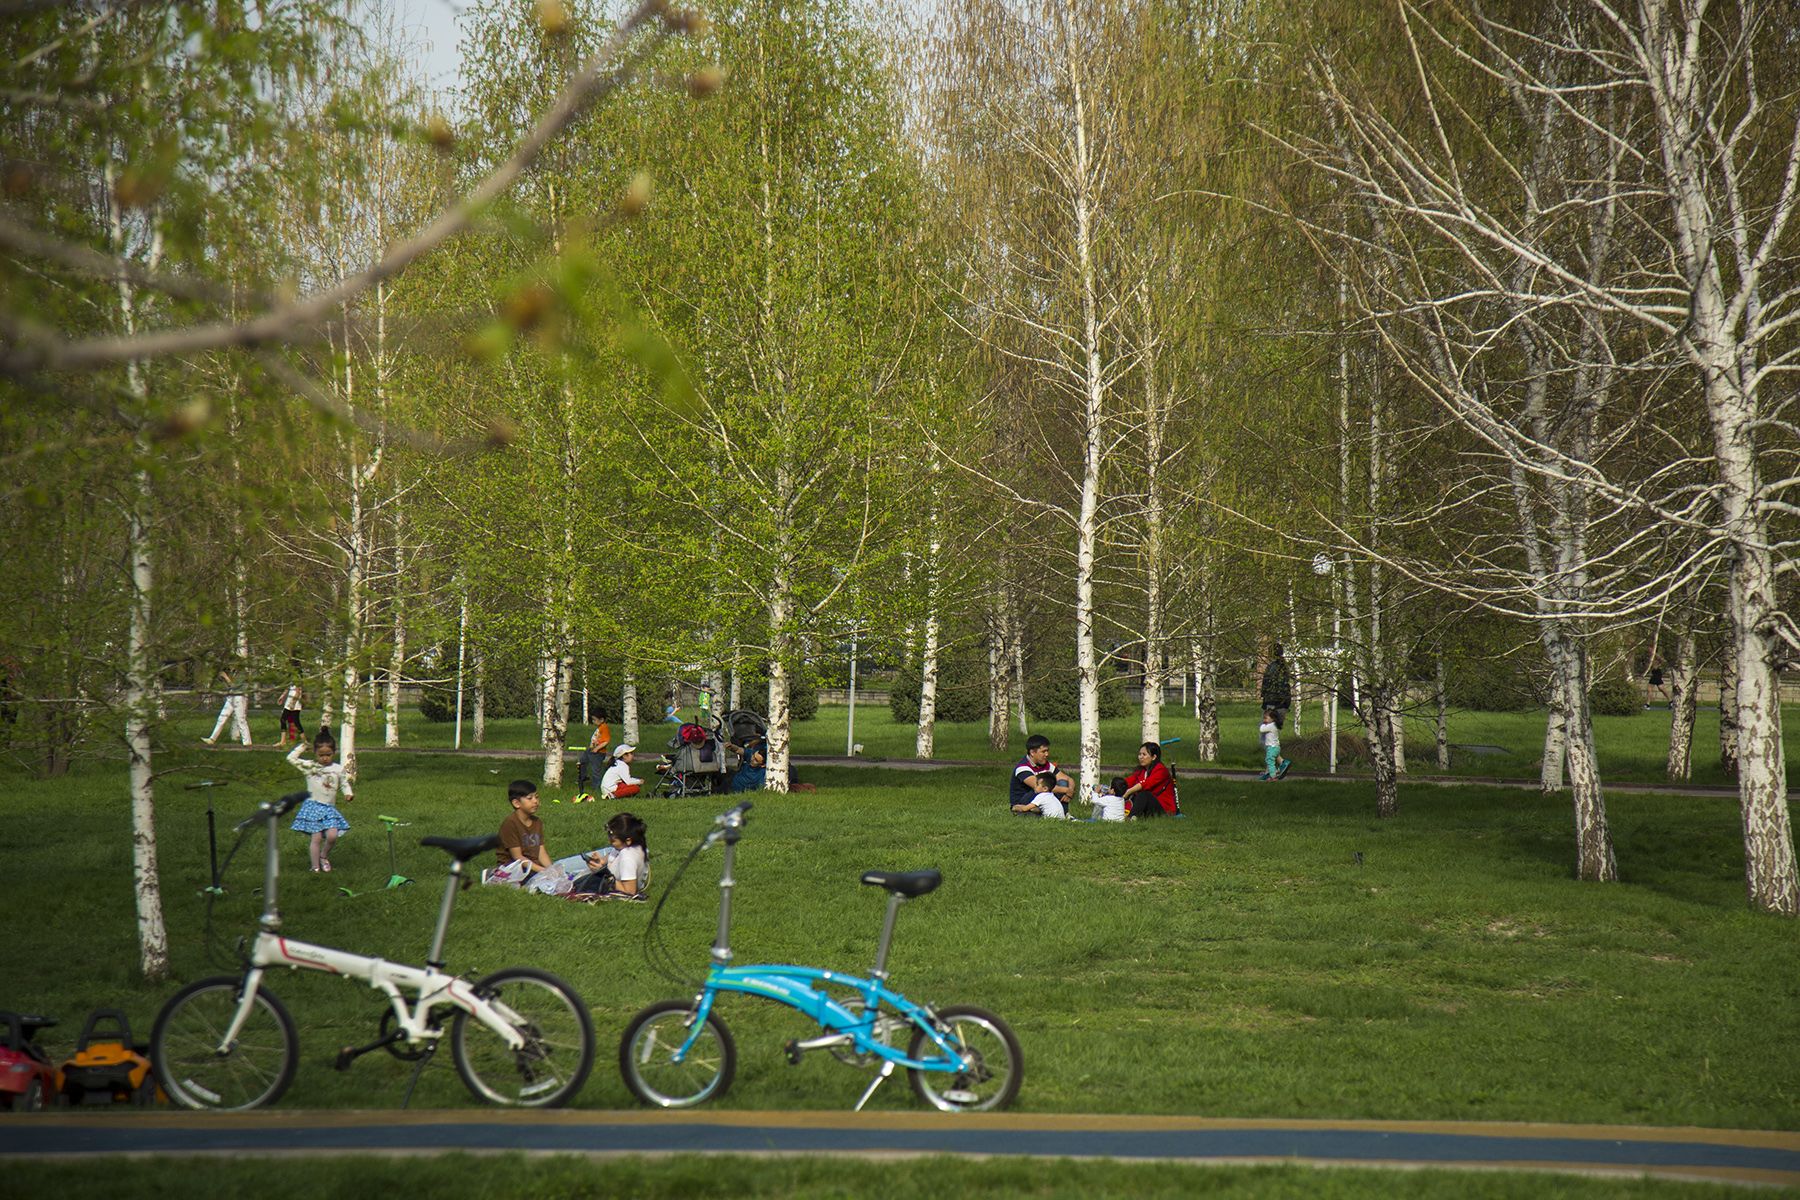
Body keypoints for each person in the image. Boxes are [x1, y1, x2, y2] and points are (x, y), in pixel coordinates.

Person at [288, 732, 352, 872]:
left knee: (332, 836)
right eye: (321, 755)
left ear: (334, 752)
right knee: (316, 838)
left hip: (329, 808)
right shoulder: (310, 766)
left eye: (328, 754)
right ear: (315, 753)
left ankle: (323, 856)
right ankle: (315, 867)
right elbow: (291, 758)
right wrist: (303, 746)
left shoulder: (338, 769)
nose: (324, 758)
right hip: (313, 807)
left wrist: (348, 793)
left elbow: (344, 783)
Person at [564, 812, 650, 899]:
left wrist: (604, 875)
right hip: (610, 872)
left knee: (562, 869)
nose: (609, 841)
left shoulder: (627, 858)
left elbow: (630, 891)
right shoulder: (632, 845)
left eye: (613, 841)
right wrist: (601, 861)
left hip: (610, 880)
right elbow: (615, 855)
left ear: (628, 841)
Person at [495, 779, 552, 881]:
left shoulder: (537, 822)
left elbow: (541, 851)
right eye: (530, 798)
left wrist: (551, 869)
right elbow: (517, 857)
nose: (535, 801)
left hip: (533, 867)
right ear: (516, 803)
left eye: (537, 797)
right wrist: (543, 871)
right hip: (513, 869)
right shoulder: (510, 823)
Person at [1009, 734, 1072, 813]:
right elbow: (1041, 787)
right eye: (1043, 751)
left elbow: (1068, 779)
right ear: (1032, 752)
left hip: (1040, 796)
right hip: (1023, 801)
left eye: (1047, 751)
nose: (1047, 754)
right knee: (1042, 788)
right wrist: (1066, 790)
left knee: (1063, 782)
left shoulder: (1046, 764)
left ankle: (1063, 813)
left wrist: (1070, 791)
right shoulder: (1022, 768)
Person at [1120, 741, 1179, 818]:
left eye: (1144, 754)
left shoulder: (1161, 770)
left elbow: (1146, 784)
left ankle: (1130, 818)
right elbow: (1128, 781)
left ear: (1154, 757)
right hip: (1149, 807)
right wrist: (1114, 787)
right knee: (1127, 793)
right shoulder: (1141, 771)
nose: (1140, 757)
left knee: (1144, 794)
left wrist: (1129, 791)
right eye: (1139, 754)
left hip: (1165, 810)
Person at [202, 668, 252, 746]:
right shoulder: (233, 672)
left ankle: (247, 742)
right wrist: (222, 678)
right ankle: (212, 738)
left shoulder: (242, 673)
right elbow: (228, 686)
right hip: (231, 696)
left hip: (239, 696)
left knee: (241, 719)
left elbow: (234, 686)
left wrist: (226, 677)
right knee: (222, 717)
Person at [574, 713, 612, 802]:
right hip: (591, 750)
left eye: (595, 719)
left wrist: (597, 748)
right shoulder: (600, 727)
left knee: (596, 770)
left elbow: (606, 741)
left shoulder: (604, 727)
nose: (593, 721)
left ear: (601, 719)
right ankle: (583, 777)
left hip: (598, 753)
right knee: (582, 761)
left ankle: (597, 787)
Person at [1260, 643, 1292, 729]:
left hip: (1272, 702)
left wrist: (1265, 700)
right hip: (1282, 702)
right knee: (1275, 729)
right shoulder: (1284, 666)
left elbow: (1267, 683)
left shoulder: (1272, 667)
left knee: (1267, 730)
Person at [1258, 707, 1291, 781]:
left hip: (1272, 747)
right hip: (1275, 747)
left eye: (1266, 718)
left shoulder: (1271, 726)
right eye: (1263, 718)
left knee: (1269, 760)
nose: (1264, 720)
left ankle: (1273, 776)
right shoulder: (1274, 725)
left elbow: (1261, 729)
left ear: (1272, 719)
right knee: (1273, 758)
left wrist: (1262, 724)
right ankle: (1282, 765)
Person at [275, 681, 304, 749]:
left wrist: (293, 703)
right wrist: (282, 696)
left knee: (295, 722)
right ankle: (284, 741)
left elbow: (298, 692)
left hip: (294, 704)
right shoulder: (291, 679)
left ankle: (304, 741)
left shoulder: (297, 680)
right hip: (288, 703)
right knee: (284, 720)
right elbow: (288, 687)